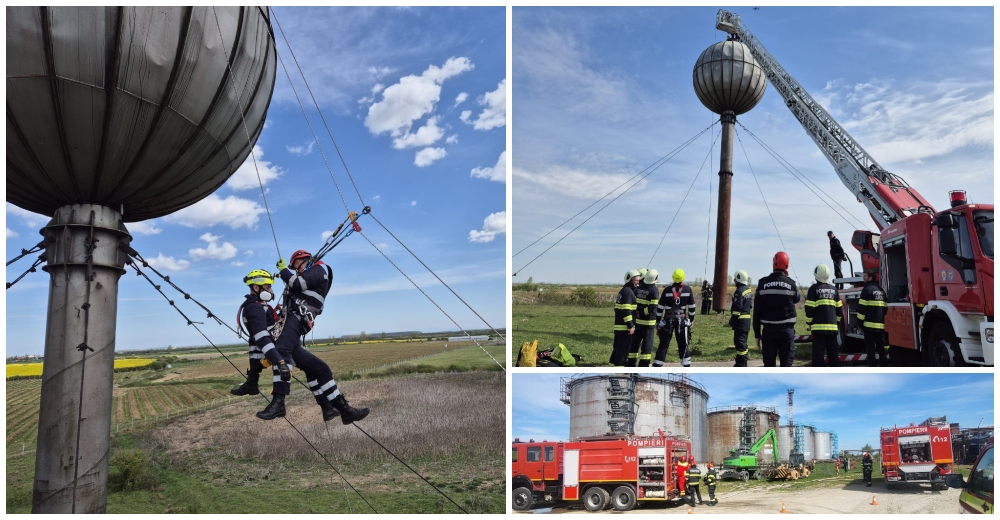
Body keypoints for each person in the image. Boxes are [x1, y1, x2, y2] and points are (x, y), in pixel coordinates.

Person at [258, 251, 370, 424]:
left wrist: (283, 270)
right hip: (293, 320)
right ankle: (330, 408)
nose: (296, 270)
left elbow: (297, 283)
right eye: (294, 267)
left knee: (311, 365)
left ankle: (341, 409)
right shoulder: (310, 274)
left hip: (296, 317)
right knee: (311, 365)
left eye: (297, 265)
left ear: (306, 260)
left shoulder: (317, 270)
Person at [753, 252, 800, 367]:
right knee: (786, 366)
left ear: (773, 264)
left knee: (769, 366)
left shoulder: (762, 283)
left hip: (768, 332)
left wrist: (757, 334)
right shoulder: (791, 284)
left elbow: (756, 312)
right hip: (786, 332)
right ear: (787, 266)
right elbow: (797, 299)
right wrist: (787, 279)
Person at [655, 269, 696, 367]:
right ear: (683, 278)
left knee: (663, 344)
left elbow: (660, 307)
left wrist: (658, 321)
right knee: (683, 343)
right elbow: (692, 307)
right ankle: (686, 364)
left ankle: (658, 364)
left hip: (667, 321)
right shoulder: (687, 290)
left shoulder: (667, 290)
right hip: (682, 322)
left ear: (673, 277)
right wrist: (691, 320)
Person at [805, 264, 843, 367]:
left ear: (816, 276)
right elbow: (839, 310)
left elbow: (809, 309)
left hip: (818, 330)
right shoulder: (834, 290)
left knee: (818, 356)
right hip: (832, 329)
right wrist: (837, 322)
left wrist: (809, 322)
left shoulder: (813, 289)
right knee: (833, 355)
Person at [857, 268, 888, 367]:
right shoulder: (881, 290)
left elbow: (862, 308)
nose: (863, 278)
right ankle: (884, 366)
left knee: (870, 349)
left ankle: (873, 367)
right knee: (880, 348)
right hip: (880, 326)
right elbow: (885, 308)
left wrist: (859, 323)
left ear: (870, 278)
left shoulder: (866, 290)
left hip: (869, 326)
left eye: (865, 276)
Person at [628, 269, 659, 367]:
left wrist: (637, 313)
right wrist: (642, 313)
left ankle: (630, 364)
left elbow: (634, 302)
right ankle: (643, 366)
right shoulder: (654, 290)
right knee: (646, 346)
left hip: (637, 322)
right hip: (648, 323)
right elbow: (653, 307)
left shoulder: (639, 288)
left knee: (634, 344)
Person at [612, 269, 640, 366]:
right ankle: (620, 369)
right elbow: (626, 311)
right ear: (630, 280)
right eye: (636, 280)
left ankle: (614, 366)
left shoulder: (624, 290)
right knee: (623, 352)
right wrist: (630, 325)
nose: (638, 282)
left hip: (619, 326)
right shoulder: (628, 292)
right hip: (624, 328)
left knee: (617, 349)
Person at [730, 270, 753, 367]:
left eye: (735, 278)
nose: (734, 280)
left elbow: (737, 309)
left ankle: (741, 364)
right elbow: (750, 306)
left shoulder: (739, 291)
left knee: (739, 343)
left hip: (740, 322)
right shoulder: (748, 290)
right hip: (746, 322)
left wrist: (732, 321)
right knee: (743, 343)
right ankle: (743, 362)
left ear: (739, 279)